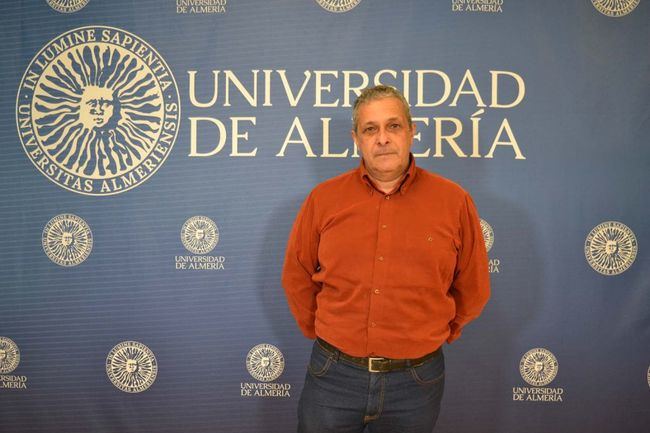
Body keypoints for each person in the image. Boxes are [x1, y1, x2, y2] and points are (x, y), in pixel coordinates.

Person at [282, 85, 490, 433]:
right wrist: (327, 331)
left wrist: (435, 332)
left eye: (393, 126)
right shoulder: (323, 199)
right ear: (356, 139)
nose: (382, 139)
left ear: (411, 131)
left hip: (416, 381)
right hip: (334, 374)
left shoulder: (454, 201)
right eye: (370, 129)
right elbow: (296, 276)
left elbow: (474, 286)